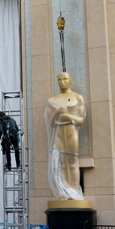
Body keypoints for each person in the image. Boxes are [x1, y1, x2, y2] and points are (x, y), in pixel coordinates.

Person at [44, 72, 86, 200]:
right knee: (61, 162)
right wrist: (57, 112)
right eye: (59, 80)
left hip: (71, 130)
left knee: (72, 160)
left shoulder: (78, 98)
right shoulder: (52, 101)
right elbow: (50, 122)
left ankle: (73, 191)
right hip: (58, 131)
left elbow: (80, 120)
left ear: (70, 80)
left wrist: (66, 115)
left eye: (65, 79)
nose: (62, 82)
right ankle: (62, 191)